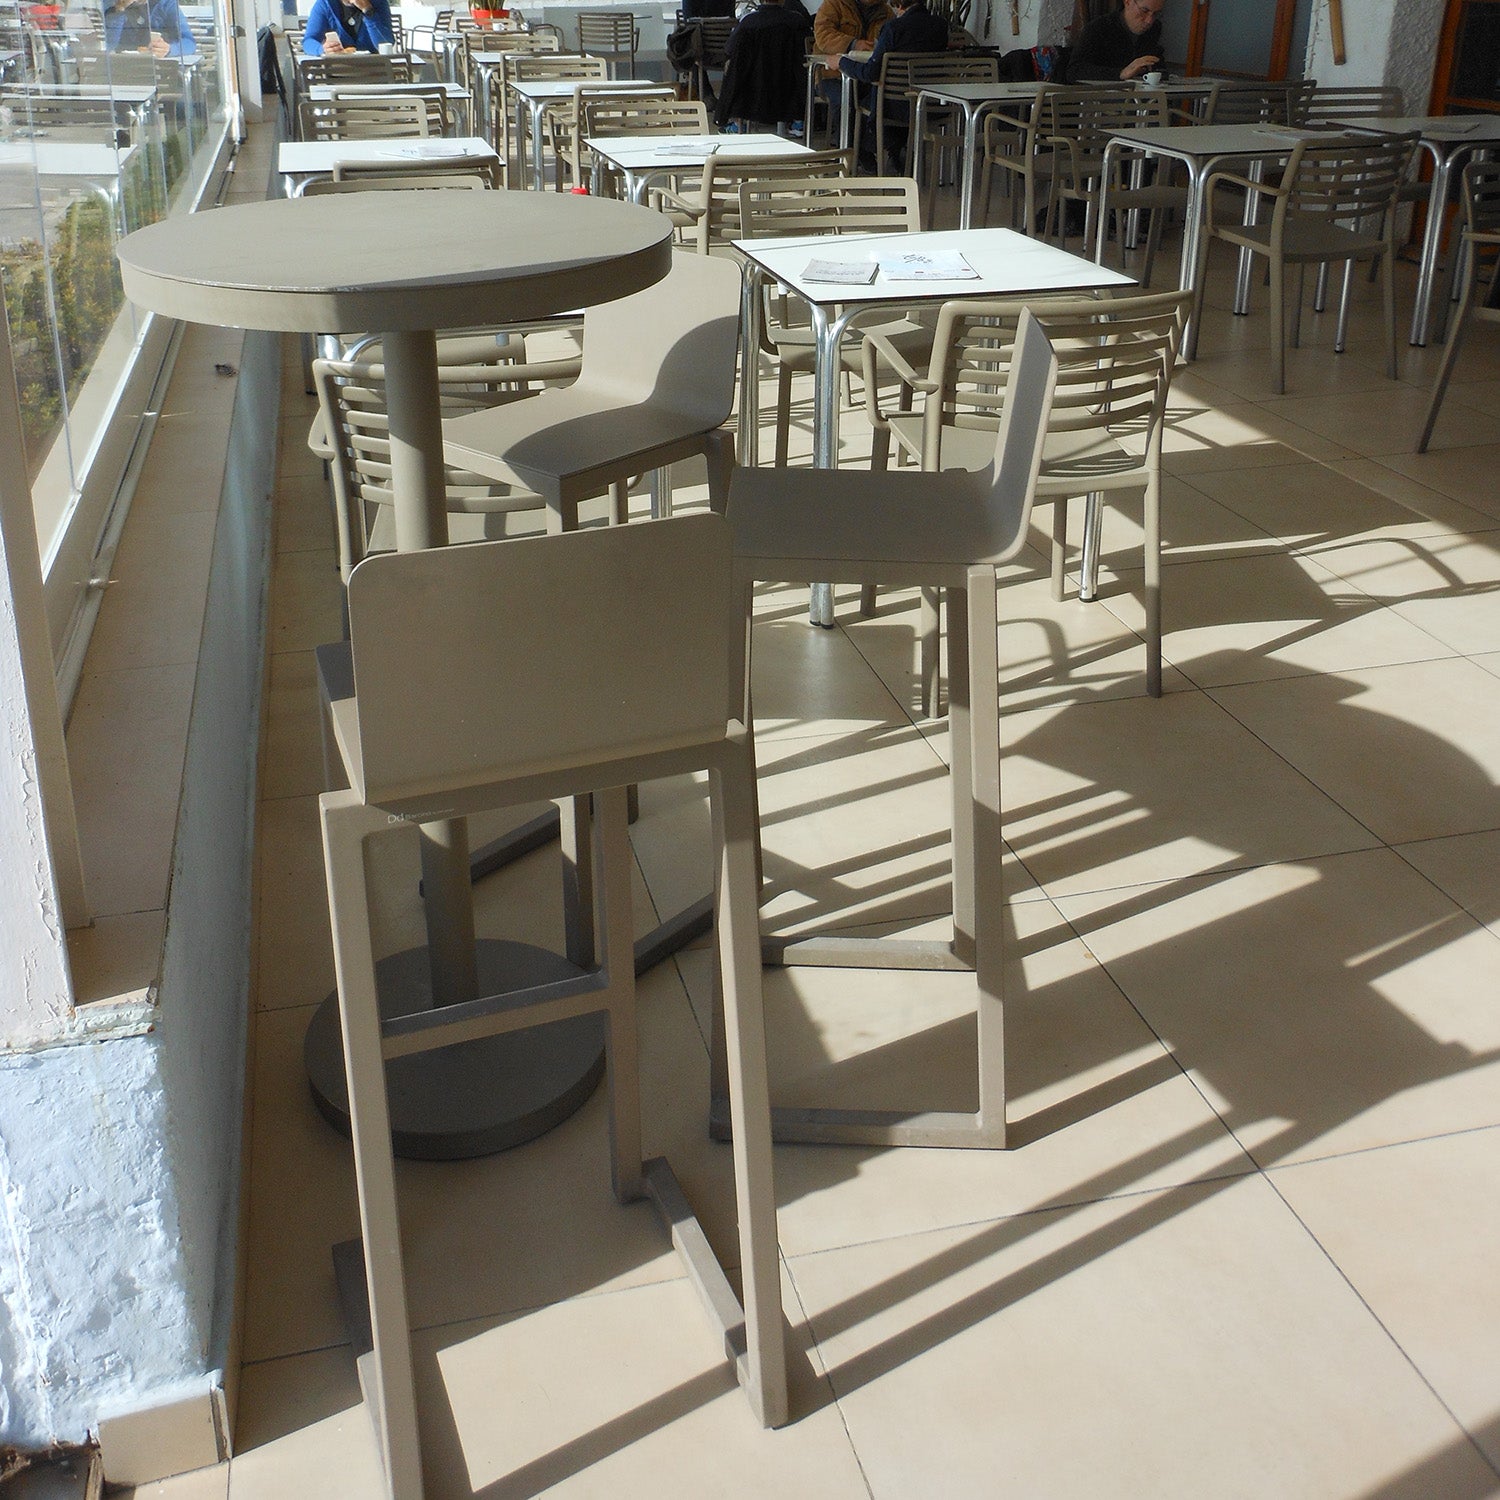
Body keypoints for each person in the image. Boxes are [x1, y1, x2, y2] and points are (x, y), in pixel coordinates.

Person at [827, 0, 946, 168]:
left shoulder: (893, 28)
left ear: (899, 5)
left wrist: (842, 62)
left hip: (892, 107)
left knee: (858, 101)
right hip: (928, 104)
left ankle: (863, 157)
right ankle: (896, 154)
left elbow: (870, 73)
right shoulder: (940, 26)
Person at [812, 0, 889, 133]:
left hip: (866, 75)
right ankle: (845, 148)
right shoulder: (833, 4)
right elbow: (823, 35)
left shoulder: (886, 11)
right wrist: (853, 44)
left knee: (884, 100)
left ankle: (868, 148)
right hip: (832, 74)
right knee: (845, 99)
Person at [1065, 0, 1163, 82]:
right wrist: (1121, 73)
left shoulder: (1154, 28)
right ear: (1127, 1)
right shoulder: (1098, 28)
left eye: (1156, 13)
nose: (1149, 20)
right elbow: (1074, 71)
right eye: (1144, 10)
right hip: (1101, 97)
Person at [104, 0, 196, 57]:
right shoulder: (109, 4)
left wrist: (170, 49)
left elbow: (189, 43)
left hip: (158, 68)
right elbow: (108, 45)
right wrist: (120, 10)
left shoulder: (165, 4)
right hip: (122, 65)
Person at [300, 0, 394, 56]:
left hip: (374, 70)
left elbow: (386, 44)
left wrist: (368, 11)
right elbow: (308, 41)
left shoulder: (379, 3)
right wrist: (322, 49)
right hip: (337, 71)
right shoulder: (325, 4)